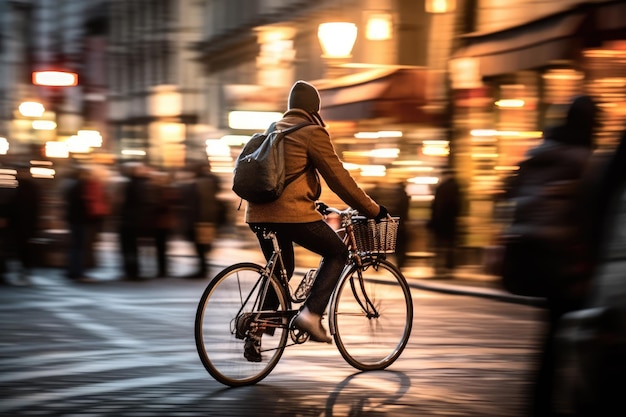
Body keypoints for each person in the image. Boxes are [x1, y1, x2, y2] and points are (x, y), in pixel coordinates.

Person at [243, 80, 388, 361]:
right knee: (338, 252)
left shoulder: (276, 128)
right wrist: (372, 209)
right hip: (288, 215)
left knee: (279, 273)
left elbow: (287, 177)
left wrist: (314, 202)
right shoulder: (311, 132)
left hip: (258, 213)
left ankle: (255, 332)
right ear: (314, 109)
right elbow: (339, 178)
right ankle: (311, 314)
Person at [504, 95, 599, 417]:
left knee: (554, 329)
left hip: (526, 251)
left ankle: (541, 399)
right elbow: (587, 212)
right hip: (560, 255)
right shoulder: (582, 158)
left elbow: (509, 191)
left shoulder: (537, 152)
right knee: (572, 331)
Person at [180, 161, 222, 279]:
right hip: (207, 220)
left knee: (201, 247)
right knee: (202, 247)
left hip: (202, 221)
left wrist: (196, 221)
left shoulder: (201, 183)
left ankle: (202, 270)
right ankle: (202, 269)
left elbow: (199, 204)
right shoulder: (209, 182)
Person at [7, 164, 42, 285]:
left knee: (24, 249)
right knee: (22, 249)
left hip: (24, 224)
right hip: (21, 224)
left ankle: (25, 272)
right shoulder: (24, 187)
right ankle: (24, 272)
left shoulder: (25, 188)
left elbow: (32, 208)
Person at [428, 168, 462, 276]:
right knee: (449, 245)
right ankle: (448, 266)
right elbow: (457, 205)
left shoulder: (441, 187)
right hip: (450, 221)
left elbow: (435, 206)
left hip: (440, 221)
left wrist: (434, 219)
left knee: (439, 245)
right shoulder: (456, 187)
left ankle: (439, 266)